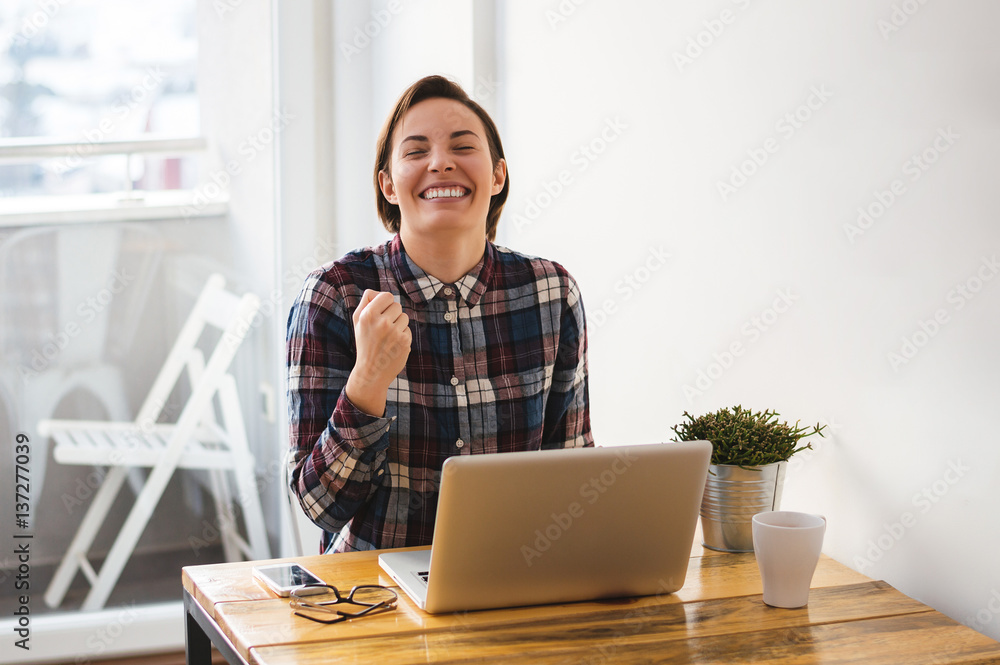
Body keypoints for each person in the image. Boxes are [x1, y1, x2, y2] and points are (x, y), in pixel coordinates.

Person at [286, 74, 593, 554]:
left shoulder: (551, 292)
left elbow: (574, 478)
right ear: (387, 185)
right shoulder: (334, 294)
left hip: (514, 585)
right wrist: (368, 380)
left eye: (462, 146)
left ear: (497, 175)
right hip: (374, 599)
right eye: (415, 151)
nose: (441, 162)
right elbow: (319, 505)